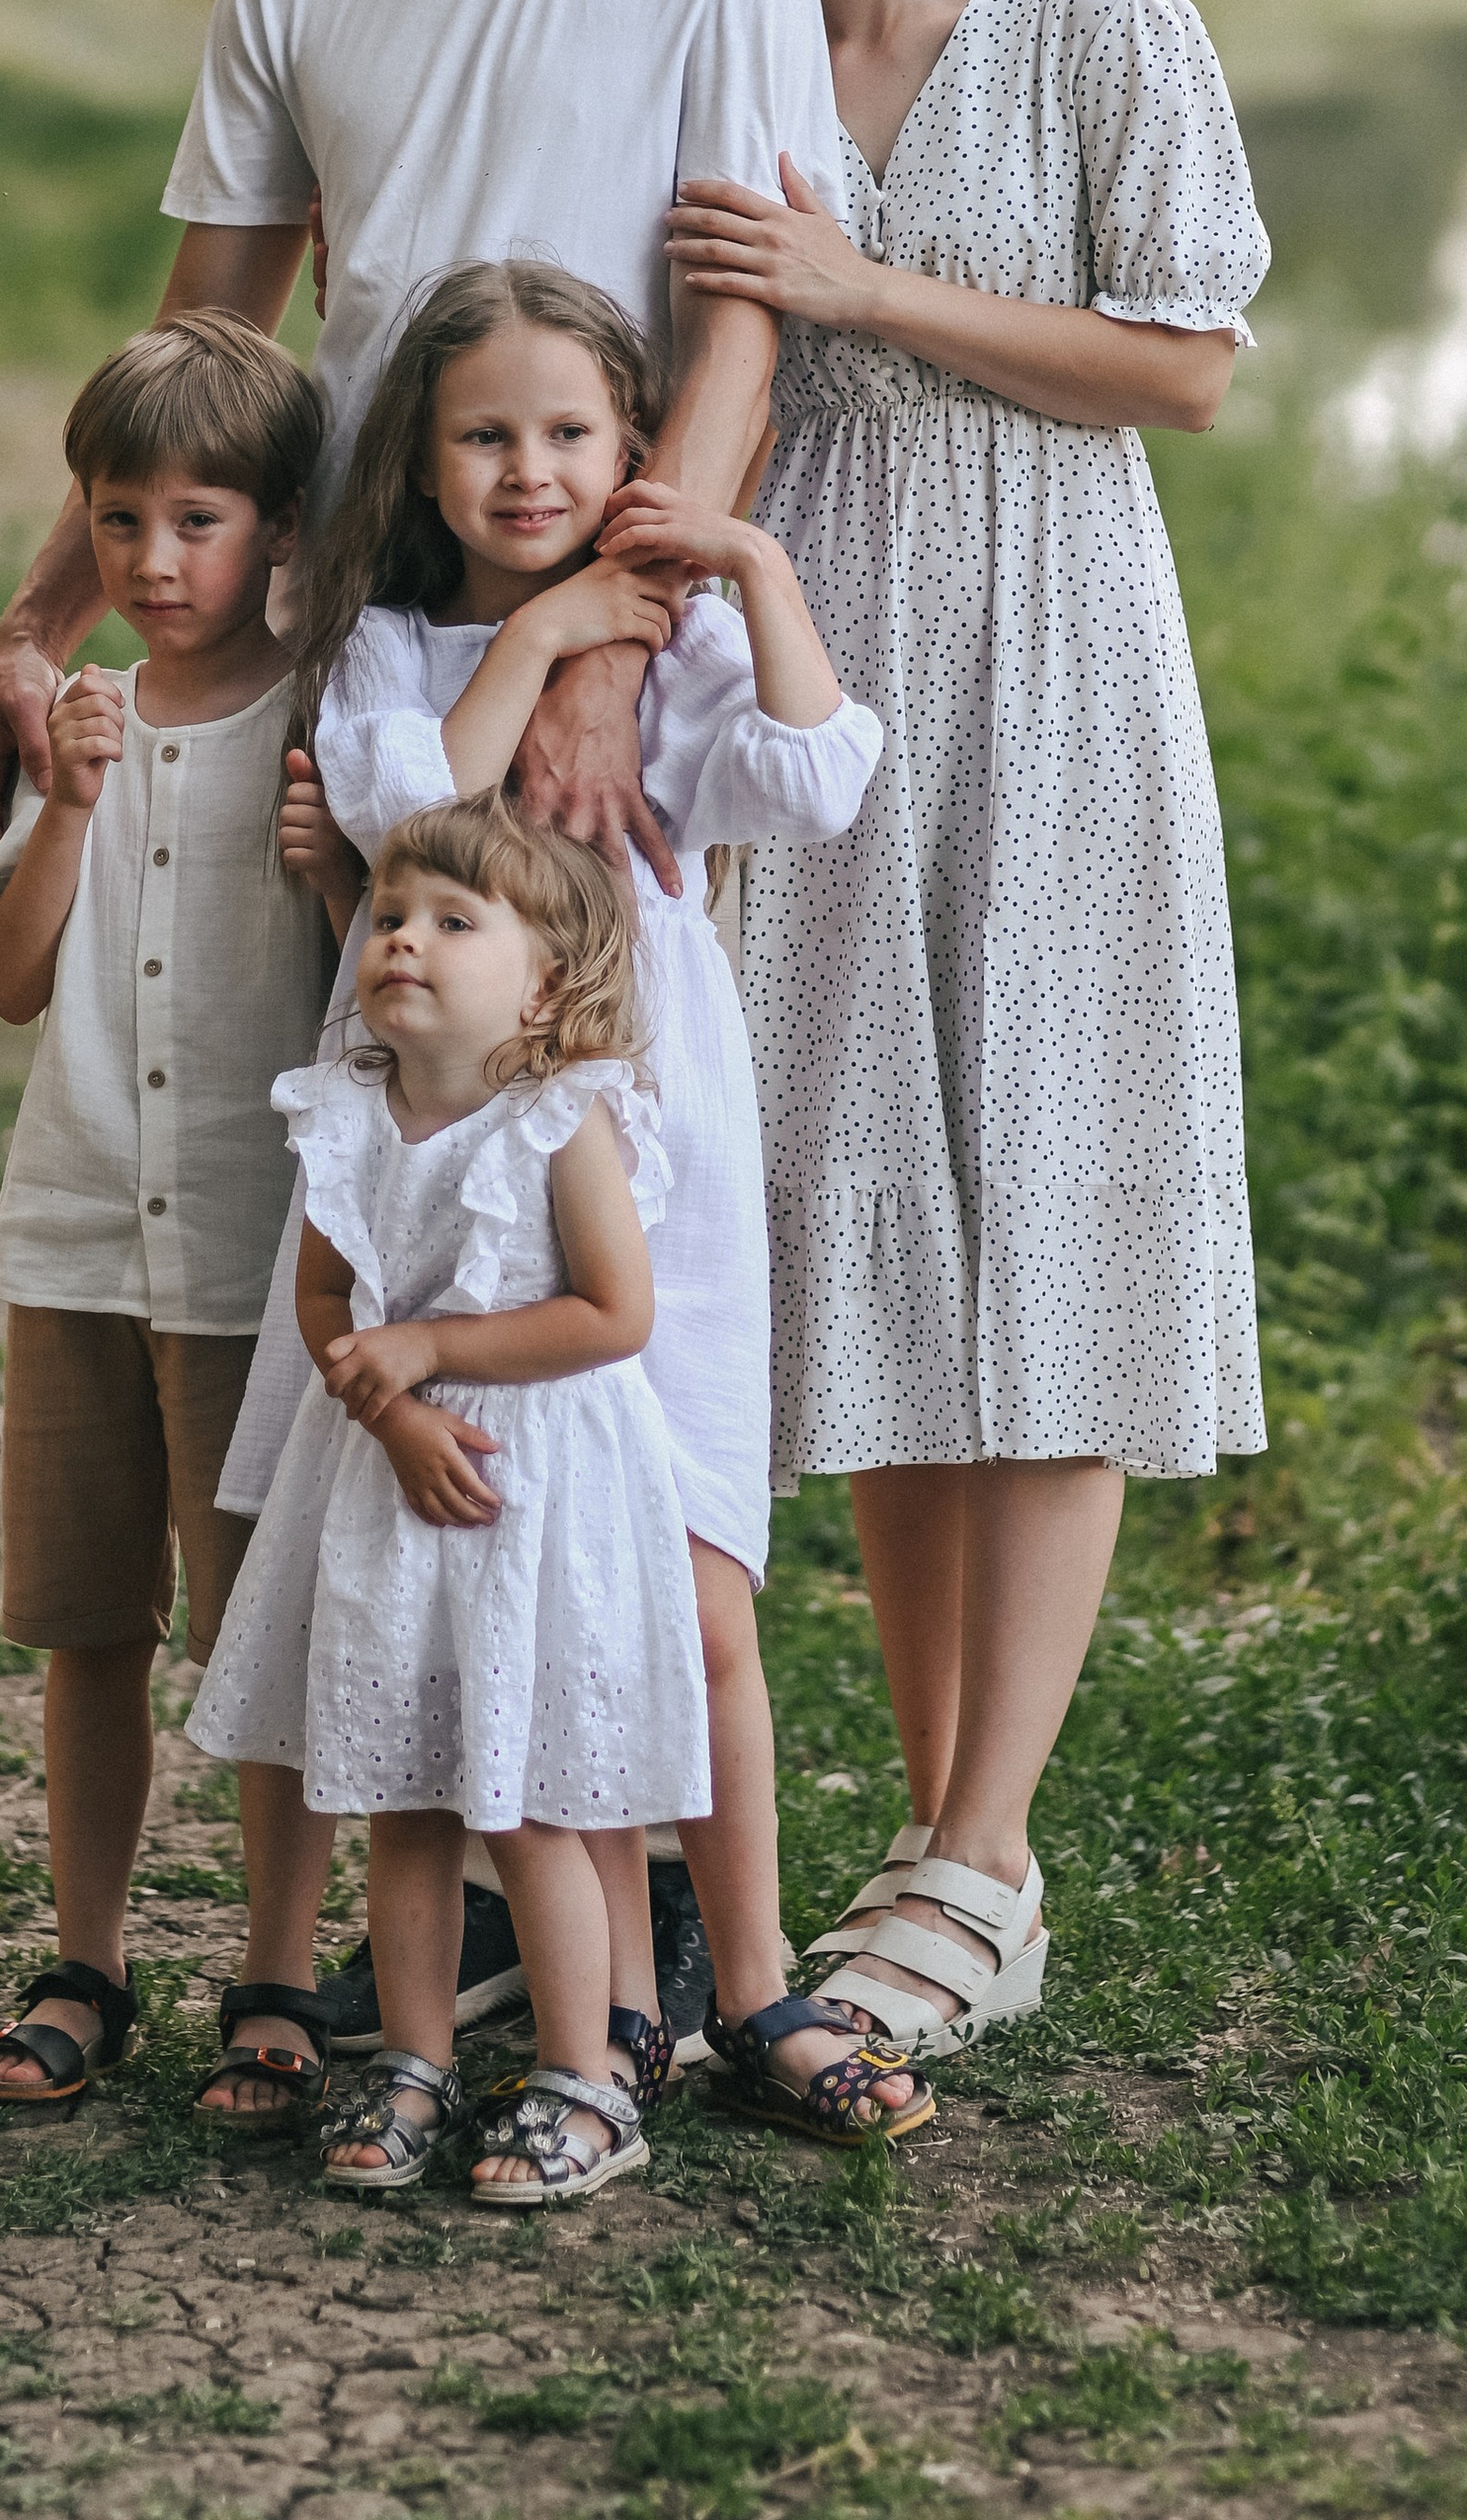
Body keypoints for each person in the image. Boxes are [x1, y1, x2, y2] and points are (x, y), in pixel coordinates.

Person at [0, 0, 842, 2073]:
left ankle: (713, 1951)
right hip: (363, 701)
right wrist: (28, 635)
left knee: (615, 1293)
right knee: (349, 1245)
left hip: (608, 715)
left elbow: (738, 342)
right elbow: (215, 360)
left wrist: (599, 643)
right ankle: (371, 1907)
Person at [619, 0, 1271, 2073]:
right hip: (819, 686)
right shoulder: (736, 55)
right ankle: (921, 1843)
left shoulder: (1099, 17)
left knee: (1047, 1192)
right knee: (861, 1230)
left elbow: (1184, 365)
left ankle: (987, 1848)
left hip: (1058, 659)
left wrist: (860, 280)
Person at [224, 259, 926, 2146]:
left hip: (648, 1148)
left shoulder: (680, 641)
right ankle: (577, 2014)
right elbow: (405, 815)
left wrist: (747, 572)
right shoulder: (389, 647)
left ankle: (758, 1985)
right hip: (442, 1168)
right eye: (483, 434)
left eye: (566, 432)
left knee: (688, 1599)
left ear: (628, 447)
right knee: (484, 1583)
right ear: (425, 457)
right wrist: (545, 642)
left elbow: (816, 777)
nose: (525, 468)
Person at [191, 798, 708, 2208]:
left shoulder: (561, 1120)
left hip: (528, 1492)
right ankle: (412, 2061)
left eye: (452, 921)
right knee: (403, 1797)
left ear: (543, 984)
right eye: (394, 916)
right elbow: (319, 1300)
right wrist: (394, 1412)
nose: (403, 937)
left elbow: (612, 1315)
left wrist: (436, 1355)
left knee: (529, 1797)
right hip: (392, 1480)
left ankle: (582, 2079)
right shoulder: (346, 1115)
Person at [0, 312, 337, 2120]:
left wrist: (341, 868)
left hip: (258, 1252)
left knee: (256, 1627)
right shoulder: (70, 726)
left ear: (276, 527)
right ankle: (86, 1955)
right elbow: (12, 985)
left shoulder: (327, 726)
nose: (154, 563)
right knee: (87, 1617)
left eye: (199, 520)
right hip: (86, 1230)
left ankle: (275, 1968)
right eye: (118, 522)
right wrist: (69, 808)